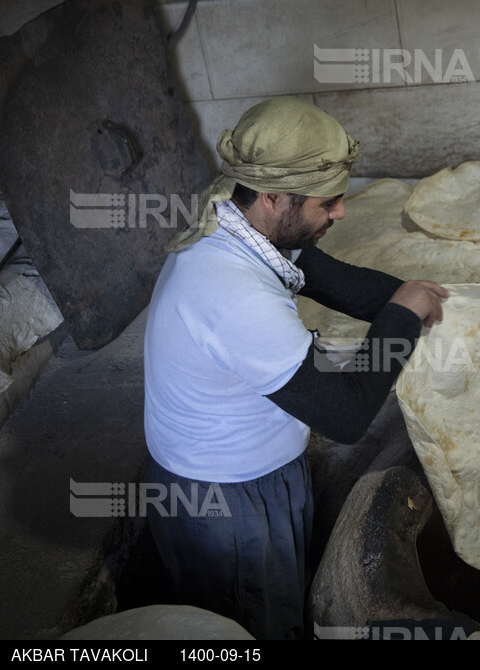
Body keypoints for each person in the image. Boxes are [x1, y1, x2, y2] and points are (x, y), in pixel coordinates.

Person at [142, 96, 447, 639]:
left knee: (279, 604)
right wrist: (402, 316)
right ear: (273, 196)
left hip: (259, 474)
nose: (341, 213)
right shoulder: (234, 295)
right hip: (227, 501)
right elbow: (346, 416)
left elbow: (335, 280)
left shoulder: (243, 222)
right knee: (252, 626)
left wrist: (415, 298)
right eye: (328, 203)